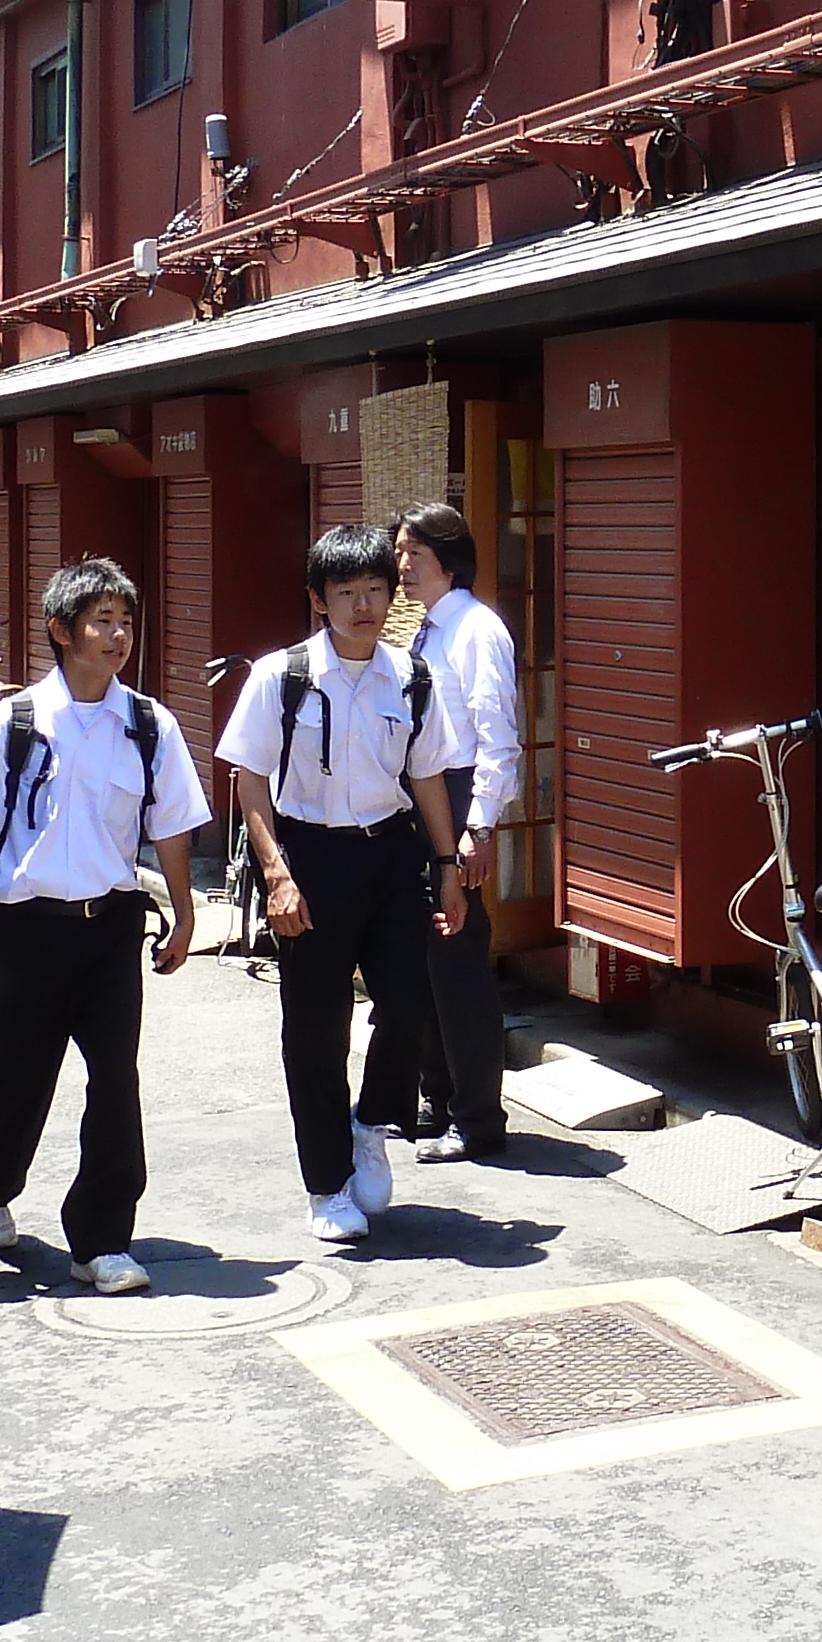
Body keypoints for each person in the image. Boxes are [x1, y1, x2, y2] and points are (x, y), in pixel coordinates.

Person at [0, 561, 207, 1287]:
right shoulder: (14, 723)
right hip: (22, 928)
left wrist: (185, 915)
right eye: (101, 622)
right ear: (62, 631)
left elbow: (175, 827)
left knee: (115, 1080)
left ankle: (102, 1239)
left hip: (111, 928)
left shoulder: (149, 724)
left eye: (126, 621)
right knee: (19, 1076)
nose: (118, 635)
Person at [219, 526, 467, 1249]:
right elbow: (250, 778)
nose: (362, 606)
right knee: (315, 1028)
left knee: (410, 1004)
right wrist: (276, 873)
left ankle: (371, 1125)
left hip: (389, 855)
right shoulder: (282, 676)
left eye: (374, 591)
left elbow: (426, 775)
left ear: (392, 596)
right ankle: (326, 1185)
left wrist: (448, 865)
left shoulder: (412, 677)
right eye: (345, 593)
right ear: (318, 601)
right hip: (309, 856)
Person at [374, 503, 525, 1165]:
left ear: (447, 555)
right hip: (423, 793)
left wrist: (479, 826)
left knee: (460, 962)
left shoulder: (476, 629)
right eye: (398, 553)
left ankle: (478, 1115)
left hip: (461, 796)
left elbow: (498, 737)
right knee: (426, 957)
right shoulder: (428, 630)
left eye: (413, 553)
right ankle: (437, 1096)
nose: (401, 566)